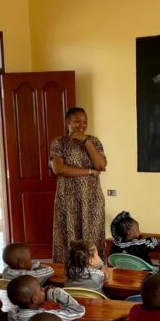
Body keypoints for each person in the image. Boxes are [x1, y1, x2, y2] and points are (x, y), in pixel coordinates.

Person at [49, 107, 107, 262]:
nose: (81, 125)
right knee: (69, 237)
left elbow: (100, 165)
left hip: (92, 199)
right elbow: (59, 168)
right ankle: (68, 272)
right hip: (67, 198)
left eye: (84, 122)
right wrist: (89, 171)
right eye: (77, 121)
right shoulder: (59, 142)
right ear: (68, 121)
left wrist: (86, 141)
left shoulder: (94, 141)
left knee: (92, 236)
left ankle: (93, 269)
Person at [6, 275, 85, 321]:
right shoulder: (46, 317)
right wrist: (56, 293)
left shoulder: (12, 315)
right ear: (34, 299)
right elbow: (77, 310)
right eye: (41, 289)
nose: (44, 289)